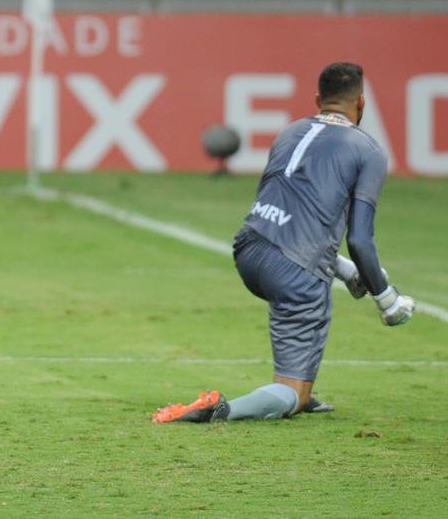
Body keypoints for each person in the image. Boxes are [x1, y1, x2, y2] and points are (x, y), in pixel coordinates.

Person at [152, 62, 416, 424]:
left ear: (317, 99)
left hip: (249, 249)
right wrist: (387, 300)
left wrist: (344, 270)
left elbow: (290, 215)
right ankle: (223, 409)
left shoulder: (290, 133)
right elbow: (359, 238)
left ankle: (294, 388)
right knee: (293, 392)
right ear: (361, 103)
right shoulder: (367, 151)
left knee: (294, 359)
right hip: (293, 270)